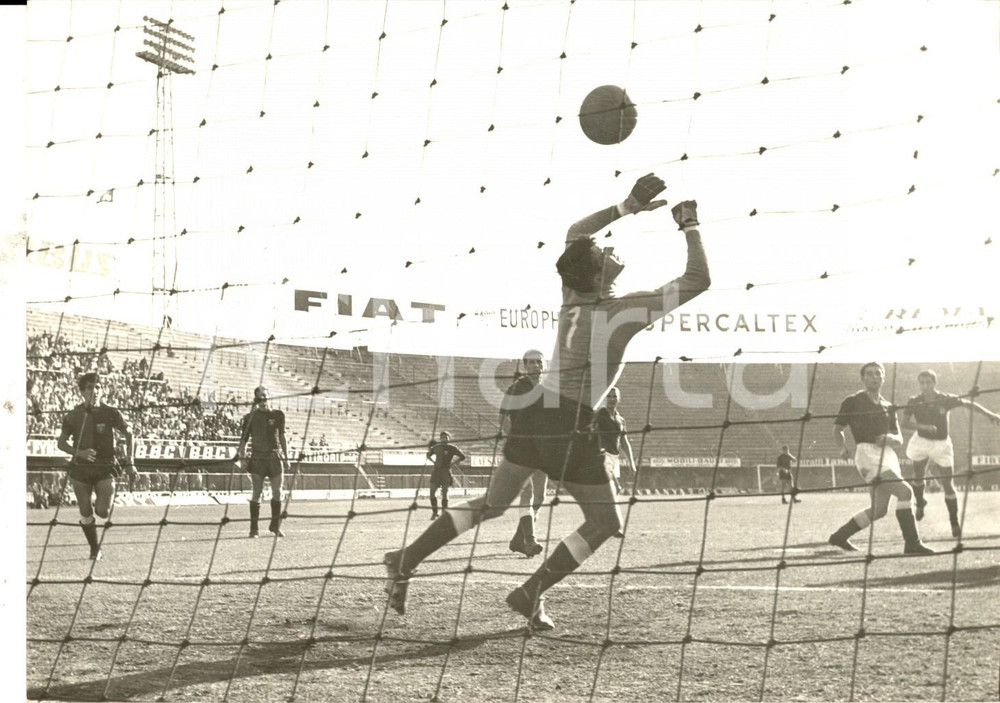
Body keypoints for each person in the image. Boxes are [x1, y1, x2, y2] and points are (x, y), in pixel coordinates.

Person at [384, 173, 710, 630]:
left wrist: (627, 206)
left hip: (538, 412)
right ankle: (530, 592)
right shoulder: (619, 312)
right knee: (604, 523)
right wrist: (689, 225)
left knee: (494, 503)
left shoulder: (573, 295)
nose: (609, 249)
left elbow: (577, 233)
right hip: (568, 421)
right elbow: (698, 280)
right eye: (604, 253)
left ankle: (406, 558)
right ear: (599, 274)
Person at [828, 362, 933, 555]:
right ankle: (912, 544)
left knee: (879, 509)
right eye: (869, 374)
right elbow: (837, 429)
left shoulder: (888, 406)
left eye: (878, 373)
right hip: (867, 455)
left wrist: (890, 438)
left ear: (883, 378)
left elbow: (899, 438)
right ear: (863, 378)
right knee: (905, 492)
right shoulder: (853, 401)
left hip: (888, 455)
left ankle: (840, 536)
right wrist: (842, 447)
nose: (874, 377)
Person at [901, 369, 1000, 538]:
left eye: (928, 382)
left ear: (934, 383)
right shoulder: (914, 401)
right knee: (918, 477)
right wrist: (923, 427)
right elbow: (904, 423)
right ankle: (920, 503)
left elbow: (968, 404)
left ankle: (954, 522)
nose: (925, 386)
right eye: (922, 383)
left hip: (942, 444)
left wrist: (990, 415)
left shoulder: (945, 399)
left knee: (948, 483)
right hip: (921, 442)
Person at [56, 372, 136, 560]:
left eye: (98, 387)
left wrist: (130, 462)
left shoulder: (111, 413)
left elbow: (130, 434)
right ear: (82, 392)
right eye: (90, 387)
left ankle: (99, 499)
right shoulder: (73, 415)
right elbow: (61, 443)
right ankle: (95, 549)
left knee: (103, 512)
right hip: (80, 468)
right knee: (85, 511)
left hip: (105, 467)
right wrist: (80, 452)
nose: (95, 391)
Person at [502, 350, 549, 558]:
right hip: (522, 449)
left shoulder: (549, 387)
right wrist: (516, 440)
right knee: (527, 493)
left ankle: (517, 539)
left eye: (539, 362)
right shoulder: (516, 388)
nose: (536, 365)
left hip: (543, 449)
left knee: (540, 496)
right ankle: (530, 540)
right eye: (531, 362)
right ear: (525, 365)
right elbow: (503, 418)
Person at [236, 386, 291, 538]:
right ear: (256, 399)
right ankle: (254, 529)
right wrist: (242, 460)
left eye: (265, 396)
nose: (263, 399)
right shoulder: (250, 418)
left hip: (274, 458)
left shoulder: (278, 415)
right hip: (258, 458)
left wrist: (286, 457)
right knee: (256, 493)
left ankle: (274, 526)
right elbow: (243, 441)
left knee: (278, 492)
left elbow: (282, 437)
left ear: (269, 397)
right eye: (259, 396)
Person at [593, 387, 637, 497]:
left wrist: (631, 462)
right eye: (609, 396)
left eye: (614, 396)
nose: (611, 399)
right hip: (602, 457)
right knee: (615, 488)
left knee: (610, 492)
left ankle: (600, 508)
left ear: (619, 399)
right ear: (605, 398)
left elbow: (624, 442)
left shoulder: (621, 420)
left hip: (614, 457)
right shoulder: (600, 415)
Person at [425, 432, 466, 520]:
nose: (444, 439)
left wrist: (452, 463)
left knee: (445, 492)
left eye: (446, 437)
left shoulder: (452, 448)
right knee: (432, 493)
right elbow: (428, 455)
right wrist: (433, 461)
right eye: (442, 437)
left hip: (446, 472)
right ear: (440, 438)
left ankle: (444, 513)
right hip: (436, 472)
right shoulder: (436, 447)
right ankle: (435, 512)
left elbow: (462, 456)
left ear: (449, 438)